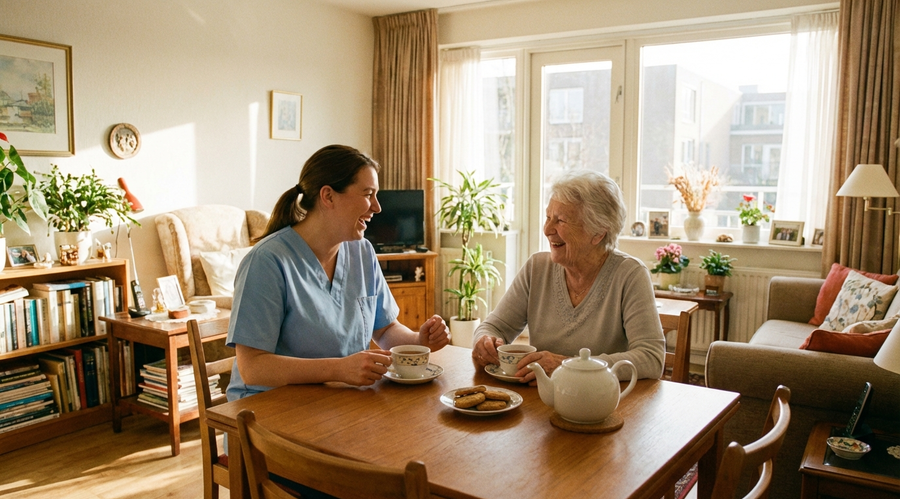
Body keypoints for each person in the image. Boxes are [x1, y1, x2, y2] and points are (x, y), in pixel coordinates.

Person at [226, 144, 451, 401]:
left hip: (335, 403)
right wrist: (339, 369)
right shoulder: (267, 262)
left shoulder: (362, 252)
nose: (377, 207)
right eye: (368, 194)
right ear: (328, 196)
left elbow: (386, 330)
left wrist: (419, 341)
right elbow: (253, 368)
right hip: (267, 410)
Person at [471, 170, 665, 383]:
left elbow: (651, 358)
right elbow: (494, 326)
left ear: (598, 233)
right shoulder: (536, 268)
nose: (547, 229)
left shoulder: (630, 275)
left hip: (602, 406)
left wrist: (569, 367)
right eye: (548, 217)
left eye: (560, 220)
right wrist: (484, 341)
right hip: (541, 401)